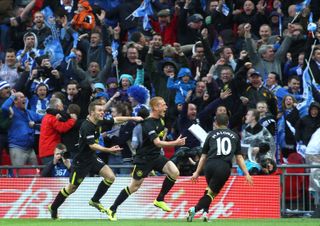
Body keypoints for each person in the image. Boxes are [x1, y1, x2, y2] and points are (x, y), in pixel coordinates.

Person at [106, 96, 186, 221]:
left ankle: (159, 199)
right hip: (144, 159)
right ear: (155, 107)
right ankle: (112, 208)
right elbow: (158, 143)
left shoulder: (161, 121)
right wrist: (175, 143)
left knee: (174, 172)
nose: (166, 107)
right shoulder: (148, 123)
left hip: (156, 156)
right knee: (134, 187)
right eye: (163, 105)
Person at [48, 100, 123, 219]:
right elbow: (92, 145)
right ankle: (54, 207)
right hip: (81, 162)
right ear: (92, 112)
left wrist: (135, 119)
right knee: (71, 188)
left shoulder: (99, 121)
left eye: (103, 110)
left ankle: (95, 200)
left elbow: (116, 120)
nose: (102, 112)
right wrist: (109, 150)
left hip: (92, 158)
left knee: (110, 177)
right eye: (100, 110)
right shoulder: (86, 126)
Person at [187, 114, 253, 222]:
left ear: (216, 123)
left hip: (209, 165)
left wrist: (197, 172)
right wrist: (246, 173)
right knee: (213, 193)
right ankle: (194, 209)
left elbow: (203, 156)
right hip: (223, 166)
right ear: (227, 123)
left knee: (209, 190)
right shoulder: (234, 135)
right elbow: (239, 157)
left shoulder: (210, 134)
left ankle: (205, 213)